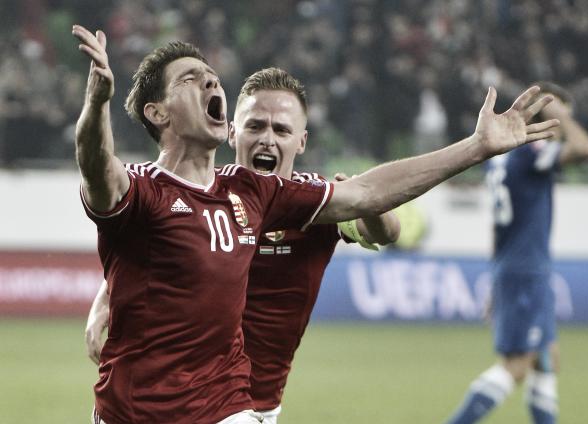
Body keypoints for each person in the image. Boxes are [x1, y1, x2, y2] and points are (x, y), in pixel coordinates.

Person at [72, 22, 558, 423]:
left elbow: (370, 198)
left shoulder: (271, 195)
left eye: (212, 77)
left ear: (301, 140)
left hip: (236, 404)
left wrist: (475, 147)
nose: (211, 83)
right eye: (190, 80)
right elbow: (108, 188)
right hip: (130, 408)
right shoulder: (153, 191)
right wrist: (96, 106)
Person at [86, 67, 401, 423]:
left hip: (256, 404)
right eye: (255, 126)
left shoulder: (318, 206)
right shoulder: (202, 194)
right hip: (184, 399)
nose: (267, 139)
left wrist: (368, 203)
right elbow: (140, 247)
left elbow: (386, 232)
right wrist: (104, 299)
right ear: (233, 133)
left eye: (281, 129)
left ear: (301, 141)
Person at [444, 82, 588, 424]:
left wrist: (496, 282)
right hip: (526, 272)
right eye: (561, 119)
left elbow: (500, 228)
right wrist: (559, 114)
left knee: (547, 358)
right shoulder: (532, 153)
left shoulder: (503, 158)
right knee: (515, 368)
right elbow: (586, 148)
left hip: (516, 268)